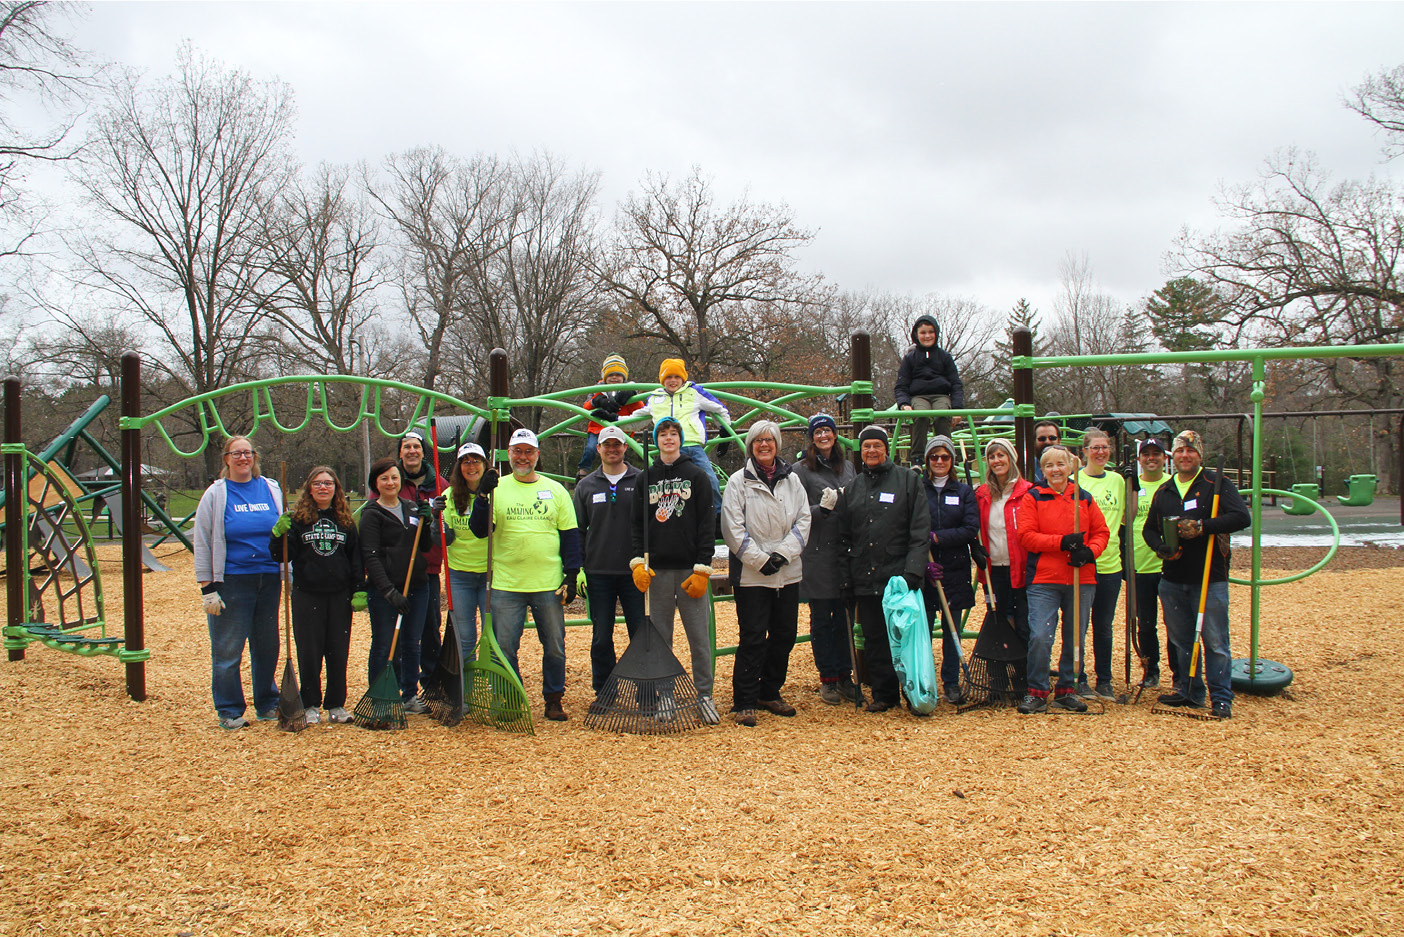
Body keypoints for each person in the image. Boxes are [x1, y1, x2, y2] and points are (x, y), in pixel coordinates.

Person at [1143, 430, 1251, 719]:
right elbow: (1149, 530)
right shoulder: (1165, 491)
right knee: (1181, 640)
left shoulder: (1216, 484)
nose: (1185, 456)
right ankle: (1190, 691)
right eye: (1180, 451)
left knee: (1215, 641)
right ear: (1173, 456)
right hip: (1173, 577)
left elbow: (1241, 517)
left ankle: (1221, 697)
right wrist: (1161, 549)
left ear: (1199, 455)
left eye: (1190, 451)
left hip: (1209, 575)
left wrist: (1204, 527)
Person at [721, 421, 811, 726]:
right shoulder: (739, 482)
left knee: (784, 635)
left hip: (787, 571)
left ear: (777, 444)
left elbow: (803, 519)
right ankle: (744, 699)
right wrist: (760, 560)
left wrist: (783, 554)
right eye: (758, 440)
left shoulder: (792, 481)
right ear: (750, 445)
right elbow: (732, 527)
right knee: (753, 636)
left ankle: (769, 690)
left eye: (769, 440)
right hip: (752, 575)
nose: (764, 445)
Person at [629, 416, 719, 723]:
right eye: (663, 434)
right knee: (661, 639)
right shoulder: (645, 479)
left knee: (699, 639)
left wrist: (703, 567)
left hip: (690, 571)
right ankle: (665, 695)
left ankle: (704, 695)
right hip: (658, 572)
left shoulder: (697, 476)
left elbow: (707, 524)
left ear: (681, 439)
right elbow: (637, 526)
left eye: (673, 433)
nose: (668, 438)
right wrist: (638, 562)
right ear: (656, 441)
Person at [836, 426, 930, 714]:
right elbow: (844, 536)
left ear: (886, 449)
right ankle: (884, 693)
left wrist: (914, 570)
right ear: (860, 451)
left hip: (899, 576)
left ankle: (913, 691)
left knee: (905, 637)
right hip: (865, 574)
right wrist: (845, 580)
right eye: (866, 447)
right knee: (875, 637)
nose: (872, 451)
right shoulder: (854, 488)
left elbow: (920, 529)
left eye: (877, 445)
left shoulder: (908, 481)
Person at [193, 435, 285, 730]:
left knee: (267, 645)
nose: (243, 458)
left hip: (268, 577)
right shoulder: (216, 494)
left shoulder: (270, 488)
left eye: (247, 453)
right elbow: (202, 541)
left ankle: (268, 702)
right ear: (227, 459)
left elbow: (281, 531)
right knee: (228, 648)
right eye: (237, 453)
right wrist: (207, 587)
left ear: (254, 456)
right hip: (232, 579)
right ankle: (229, 708)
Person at [490, 428, 580, 722]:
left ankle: (553, 699)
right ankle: (511, 697)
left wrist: (571, 576)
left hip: (547, 583)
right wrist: (481, 496)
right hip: (507, 583)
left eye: (529, 452)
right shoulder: (496, 488)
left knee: (554, 645)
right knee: (505, 646)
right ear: (508, 454)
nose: (523, 457)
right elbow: (481, 529)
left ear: (537, 455)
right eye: (517, 451)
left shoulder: (556, 491)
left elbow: (570, 536)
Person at [1015, 445, 1109, 714]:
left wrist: (1089, 552)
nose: (1055, 470)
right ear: (1042, 470)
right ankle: (1037, 690)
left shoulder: (1084, 497)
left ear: (1070, 467)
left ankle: (1067, 688)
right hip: (1044, 578)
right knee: (1040, 636)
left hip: (1080, 577)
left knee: (1075, 636)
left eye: (1060, 464)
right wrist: (1061, 543)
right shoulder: (1034, 497)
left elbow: (1101, 532)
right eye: (1049, 465)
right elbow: (1026, 536)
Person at [269, 466, 364, 725]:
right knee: (309, 651)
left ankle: (336, 703)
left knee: (338, 650)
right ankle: (310, 703)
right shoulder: (297, 521)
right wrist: (278, 535)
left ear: (336, 489)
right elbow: (281, 556)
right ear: (309, 489)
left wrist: (359, 588)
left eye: (328, 483)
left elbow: (355, 558)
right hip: (307, 594)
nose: (323, 487)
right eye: (318, 483)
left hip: (339, 595)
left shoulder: (345, 521)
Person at [360, 456, 438, 714]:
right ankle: (381, 697)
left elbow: (423, 546)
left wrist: (427, 522)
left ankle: (409, 695)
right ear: (376, 483)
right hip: (386, 590)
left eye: (394, 477)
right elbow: (370, 556)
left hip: (417, 585)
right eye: (384, 478)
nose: (390, 482)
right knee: (385, 644)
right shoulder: (371, 514)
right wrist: (388, 591)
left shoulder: (411, 508)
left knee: (411, 642)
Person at [572, 425, 645, 698]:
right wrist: (579, 568)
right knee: (602, 636)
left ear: (625, 447)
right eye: (607, 445)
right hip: (598, 572)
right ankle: (605, 692)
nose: (612, 449)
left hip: (634, 571)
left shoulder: (641, 480)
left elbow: (650, 525)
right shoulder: (586, 486)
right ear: (599, 449)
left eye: (617, 444)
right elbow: (578, 529)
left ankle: (645, 691)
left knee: (640, 634)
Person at [792, 413, 858, 705]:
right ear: (812, 437)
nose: (823, 436)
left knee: (845, 618)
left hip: (845, 552)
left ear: (835, 434)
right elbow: (795, 513)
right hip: (817, 553)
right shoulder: (801, 471)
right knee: (821, 619)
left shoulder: (848, 468)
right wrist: (822, 509)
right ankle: (828, 678)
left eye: (827, 431)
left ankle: (845, 674)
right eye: (817, 432)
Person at [919, 435, 979, 706]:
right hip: (926, 569)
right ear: (927, 460)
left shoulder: (963, 492)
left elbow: (970, 528)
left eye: (944, 457)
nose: (939, 461)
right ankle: (924, 681)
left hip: (954, 569)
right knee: (922, 630)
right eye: (934, 457)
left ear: (952, 460)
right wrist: (923, 556)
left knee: (952, 628)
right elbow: (912, 525)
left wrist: (938, 538)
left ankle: (951, 682)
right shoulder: (919, 489)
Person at [395, 430, 449, 697]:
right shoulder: (392, 480)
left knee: (429, 627)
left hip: (427, 567)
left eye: (416, 446)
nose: (411, 451)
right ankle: (401, 684)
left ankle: (431, 682)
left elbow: (448, 526)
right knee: (400, 629)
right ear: (400, 452)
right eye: (406, 447)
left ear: (423, 452)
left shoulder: (439, 484)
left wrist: (436, 516)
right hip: (398, 568)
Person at [1074, 429, 1124, 701]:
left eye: (1105, 447)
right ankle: (1078, 677)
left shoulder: (1118, 481)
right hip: (1083, 564)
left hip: (1110, 564)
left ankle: (1104, 680)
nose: (1100, 452)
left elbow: (1127, 517)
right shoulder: (1075, 480)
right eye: (1095, 447)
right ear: (1085, 451)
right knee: (1078, 625)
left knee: (1103, 625)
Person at [642, 359, 728, 511]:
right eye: (669, 377)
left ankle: (717, 514)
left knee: (710, 480)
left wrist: (724, 430)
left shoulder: (694, 392)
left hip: (693, 446)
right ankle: (666, 515)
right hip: (668, 450)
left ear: (683, 378)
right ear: (662, 379)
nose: (673, 380)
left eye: (677, 377)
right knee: (667, 486)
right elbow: (636, 419)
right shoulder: (655, 398)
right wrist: (614, 419)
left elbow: (719, 409)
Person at [440, 442, 496, 668]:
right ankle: (466, 683)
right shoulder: (450, 496)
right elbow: (445, 536)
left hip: (490, 572)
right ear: (459, 467)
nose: (471, 467)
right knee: (464, 636)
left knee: (493, 634)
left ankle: (493, 679)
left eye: (476, 461)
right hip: (459, 574)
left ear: (484, 464)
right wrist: (437, 524)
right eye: (465, 462)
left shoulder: (496, 493)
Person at [974, 437, 1034, 649]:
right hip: (993, 569)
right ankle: (1000, 663)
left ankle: (1023, 664)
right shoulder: (982, 494)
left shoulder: (1027, 492)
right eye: (992, 456)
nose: (996, 460)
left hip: (1021, 567)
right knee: (998, 619)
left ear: (1011, 458)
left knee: (1023, 621)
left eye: (1001, 455)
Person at [1129, 437, 1174, 689]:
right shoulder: (1133, 486)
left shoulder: (1172, 484)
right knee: (1145, 624)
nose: (1151, 458)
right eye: (1146, 454)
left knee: (1175, 623)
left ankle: (1180, 673)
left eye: (1156, 454)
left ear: (1164, 458)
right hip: (1141, 565)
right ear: (1139, 459)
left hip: (1170, 566)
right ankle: (1150, 670)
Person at [894, 314, 964, 465]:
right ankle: (917, 459)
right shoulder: (910, 359)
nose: (927, 336)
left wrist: (958, 408)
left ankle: (946, 455)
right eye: (923, 332)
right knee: (921, 415)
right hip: (919, 396)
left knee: (942, 416)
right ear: (916, 335)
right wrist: (904, 404)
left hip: (941, 395)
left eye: (931, 332)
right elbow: (901, 385)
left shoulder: (944, 357)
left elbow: (956, 384)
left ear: (936, 333)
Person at [576, 355, 643, 479]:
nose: (614, 378)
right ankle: (582, 473)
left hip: (620, 428)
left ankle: (621, 475)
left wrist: (632, 393)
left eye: (618, 375)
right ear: (604, 377)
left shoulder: (628, 391)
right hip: (598, 428)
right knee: (590, 448)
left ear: (624, 378)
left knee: (620, 452)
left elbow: (641, 410)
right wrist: (597, 401)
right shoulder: (597, 390)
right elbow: (585, 407)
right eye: (610, 375)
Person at [1031, 420, 1061, 485]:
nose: (1047, 442)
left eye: (1052, 438)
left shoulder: (1070, 465)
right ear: (1034, 442)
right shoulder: (1027, 468)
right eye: (1042, 439)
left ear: (1059, 440)